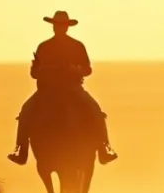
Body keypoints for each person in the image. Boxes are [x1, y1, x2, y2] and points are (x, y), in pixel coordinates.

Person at [7, 11, 118, 166]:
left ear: (67, 27)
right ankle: (21, 150)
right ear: (53, 27)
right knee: (25, 111)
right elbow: (34, 73)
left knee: (96, 111)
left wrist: (74, 69)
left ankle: (104, 148)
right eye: (57, 25)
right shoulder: (44, 47)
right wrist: (42, 70)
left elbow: (87, 69)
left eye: (62, 25)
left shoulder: (77, 46)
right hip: (46, 90)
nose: (59, 28)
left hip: (72, 88)